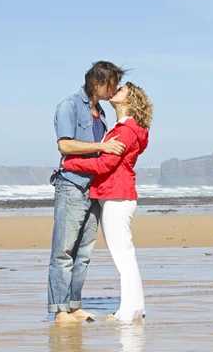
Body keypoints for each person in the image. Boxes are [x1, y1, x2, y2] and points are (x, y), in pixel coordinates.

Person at [62, 82, 153, 322]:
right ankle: (134, 309)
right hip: (119, 194)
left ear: (129, 100)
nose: (115, 92)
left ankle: (126, 312)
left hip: (116, 195)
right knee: (127, 255)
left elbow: (105, 165)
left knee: (123, 257)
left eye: (121, 90)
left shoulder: (125, 130)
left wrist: (69, 163)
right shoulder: (125, 127)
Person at [48, 61, 127, 323]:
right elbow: (65, 146)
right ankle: (60, 311)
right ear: (96, 83)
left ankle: (74, 306)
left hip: (94, 188)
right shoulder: (69, 106)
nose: (114, 88)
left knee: (84, 253)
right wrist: (102, 147)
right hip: (71, 185)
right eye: (111, 83)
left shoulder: (101, 112)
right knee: (63, 252)